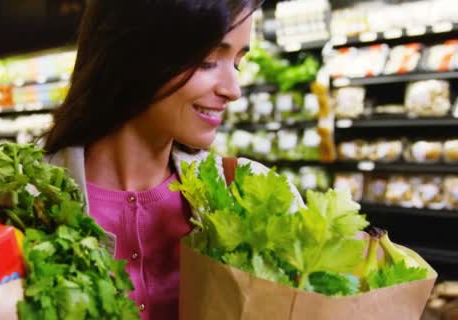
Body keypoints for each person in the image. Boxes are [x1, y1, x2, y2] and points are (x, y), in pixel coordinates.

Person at [46, 1, 300, 319]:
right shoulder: (24, 205)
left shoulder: (252, 194)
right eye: (208, 59)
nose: (233, 90)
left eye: (236, 63)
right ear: (132, 50)